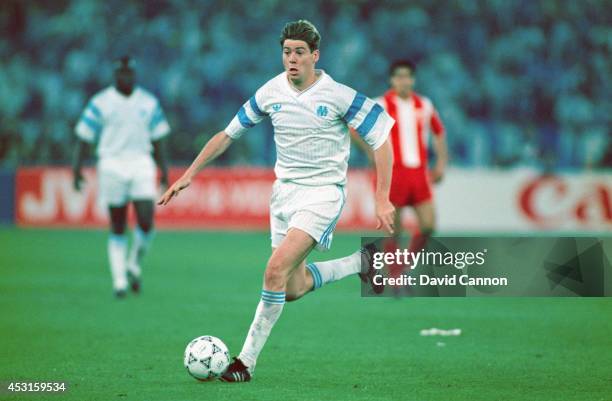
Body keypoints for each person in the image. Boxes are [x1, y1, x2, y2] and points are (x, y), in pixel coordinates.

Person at [158, 20, 395, 382]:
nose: (293, 59)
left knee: (273, 270)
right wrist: (190, 173)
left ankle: (245, 362)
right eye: (287, 52)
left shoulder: (338, 95)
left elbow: (381, 138)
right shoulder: (271, 91)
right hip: (283, 194)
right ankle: (361, 262)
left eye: (300, 52)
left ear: (315, 55)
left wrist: (382, 199)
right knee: (292, 286)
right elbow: (227, 134)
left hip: (322, 195)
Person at [73, 56, 170, 298]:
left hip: (141, 163)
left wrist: (164, 171)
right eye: (121, 74)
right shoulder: (101, 102)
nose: (125, 77)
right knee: (117, 224)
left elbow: (158, 139)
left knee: (146, 219)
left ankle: (133, 264)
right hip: (111, 164)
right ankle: (119, 281)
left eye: (129, 74)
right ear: (115, 75)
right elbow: (84, 137)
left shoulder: (148, 103)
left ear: (134, 75)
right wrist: (77, 169)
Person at [351, 59, 447, 281]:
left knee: (429, 225)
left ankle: (403, 265)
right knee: (395, 229)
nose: (403, 81)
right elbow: (353, 128)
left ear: (413, 79)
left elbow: (439, 132)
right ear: (392, 79)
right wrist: (370, 152)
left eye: (407, 76)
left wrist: (441, 163)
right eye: (399, 76)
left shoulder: (425, 104)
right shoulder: (380, 104)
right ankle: (396, 278)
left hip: (419, 173)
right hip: (393, 173)